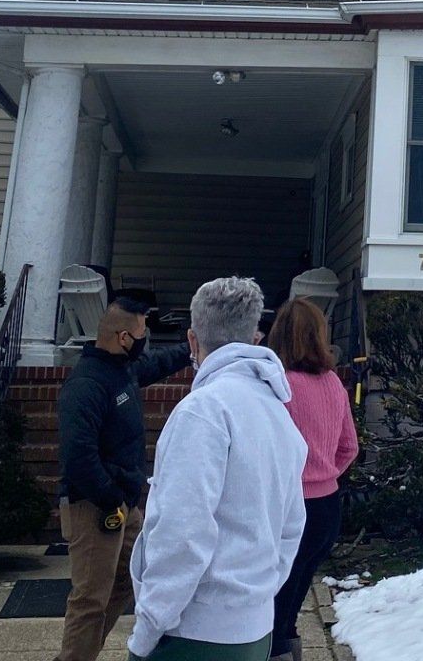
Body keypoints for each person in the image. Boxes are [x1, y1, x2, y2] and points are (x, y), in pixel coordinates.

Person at [129, 276, 308, 661]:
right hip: (254, 627)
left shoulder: (202, 412)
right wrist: (256, 595)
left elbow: (181, 534)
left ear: (193, 341)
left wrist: (145, 632)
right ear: (255, 339)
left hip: (193, 633)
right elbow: (291, 525)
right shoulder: (279, 415)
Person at [55, 295, 195, 661]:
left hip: (124, 504)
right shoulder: (87, 384)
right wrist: (109, 498)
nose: (145, 340)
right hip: (94, 506)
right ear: (122, 338)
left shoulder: (124, 370)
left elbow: (159, 362)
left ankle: (84, 653)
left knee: (126, 582)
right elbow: (77, 456)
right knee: (90, 599)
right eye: (141, 333)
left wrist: (192, 345)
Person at [266, 298, 359, 661]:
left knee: (272, 606)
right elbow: (349, 447)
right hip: (327, 509)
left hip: (289, 508)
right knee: (293, 599)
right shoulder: (333, 383)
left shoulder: (277, 386)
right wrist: (324, 476)